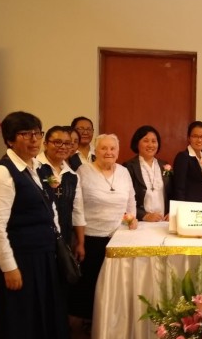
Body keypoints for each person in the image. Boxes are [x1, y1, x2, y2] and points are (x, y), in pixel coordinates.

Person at [0, 111, 71, 339]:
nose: (34, 139)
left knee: (40, 310)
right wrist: (9, 267)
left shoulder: (34, 168)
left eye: (37, 133)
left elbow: (49, 207)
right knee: (21, 315)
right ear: (10, 139)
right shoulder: (1, 173)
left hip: (41, 254)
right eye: (26, 134)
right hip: (21, 258)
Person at [69, 134, 138, 327]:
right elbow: (78, 207)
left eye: (112, 148)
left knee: (115, 283)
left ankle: (113, 320)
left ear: (118, 151)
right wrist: (80, 241)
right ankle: (92, 322)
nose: (108, 152)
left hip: (119, 237)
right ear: (96, 151)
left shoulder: (124, 172)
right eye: (104, 148)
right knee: (92, 282)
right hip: (92, 237)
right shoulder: (84, 171)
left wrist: (132, 219)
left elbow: (131, 199)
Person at [38, 126, 86, 258]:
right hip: (39, 236)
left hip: (64, 235)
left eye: (67, 143)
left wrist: (80, 242)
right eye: (57, 142)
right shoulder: (35, 168)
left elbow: (78, 210)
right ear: (46, 144)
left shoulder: (72, 175)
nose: (63, 147)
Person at [124, 125, 173, 221]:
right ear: (137, 143)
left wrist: (172, 211)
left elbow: (172, 193)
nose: (150, 145)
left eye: (154, 141)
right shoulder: (129, 167)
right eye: (146, 141)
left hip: (164, 221)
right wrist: (144, 215)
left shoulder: (165, 166)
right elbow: (124, 199)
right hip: (140, 222)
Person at [172, 121, 202, 202]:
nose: (199, 140)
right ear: (188, 138)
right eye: (195, 136)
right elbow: (178, 188)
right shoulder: (183, 157)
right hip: (188, 207)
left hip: (201, 207)